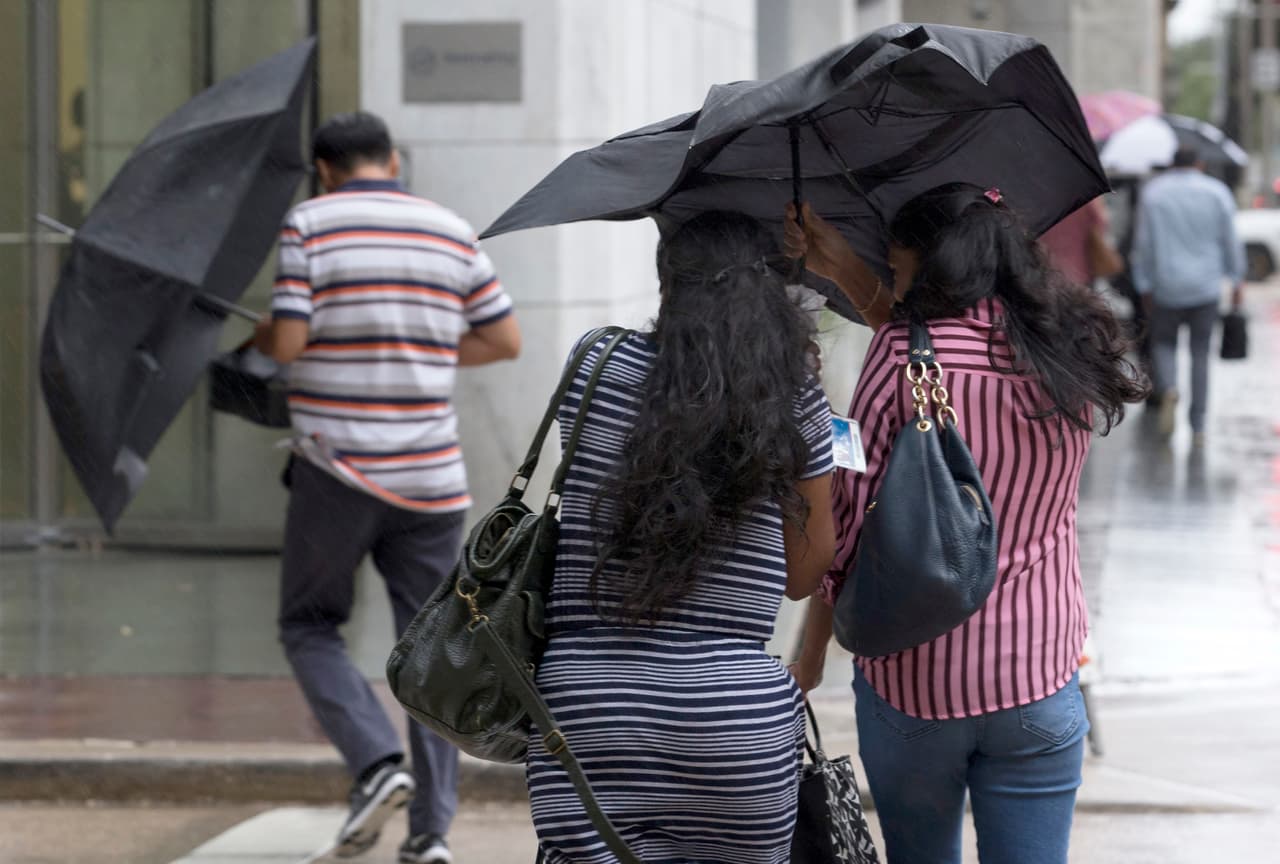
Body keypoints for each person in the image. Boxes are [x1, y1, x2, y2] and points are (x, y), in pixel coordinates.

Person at [785, 184, 1147, 864]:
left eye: (898, 268)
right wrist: (850, 272)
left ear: (934, 265)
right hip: (1039, 677)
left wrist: (810, 651)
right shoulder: (1068, 355)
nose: (895, 283)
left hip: (916, 682)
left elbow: (847, 526)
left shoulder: (900, 356)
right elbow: (941, 335)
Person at [526, 211, 835, 863]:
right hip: (737, 725)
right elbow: (806, 574)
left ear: (666, 287)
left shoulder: (596, 364)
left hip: (585, 715)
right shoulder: (793, 396)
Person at [254, 111, 521, 863]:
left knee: (308, 625)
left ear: (326, 169)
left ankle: (375, 765)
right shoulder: (449, 227)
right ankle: (431, 834)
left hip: (337, 470)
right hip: (433, 478)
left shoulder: (309, 224)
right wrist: (423, 354)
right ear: (392, 160)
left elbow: (292, 342)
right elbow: (505, 340)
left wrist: (265, 338)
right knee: (432, 649)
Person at [1131, 146, 1245, 443]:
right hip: (1206, 288)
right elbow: (1230, 240)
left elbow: (1143, 244)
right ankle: (1198, 425)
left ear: (1171, 165)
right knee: (1200, 353)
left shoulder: (1154, 194)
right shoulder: (1217, 192)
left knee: (1164, 344)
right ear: (1200, 163)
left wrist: (1143, 284)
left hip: (1166, 286)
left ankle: (1168, 387)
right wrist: (1236, 280)